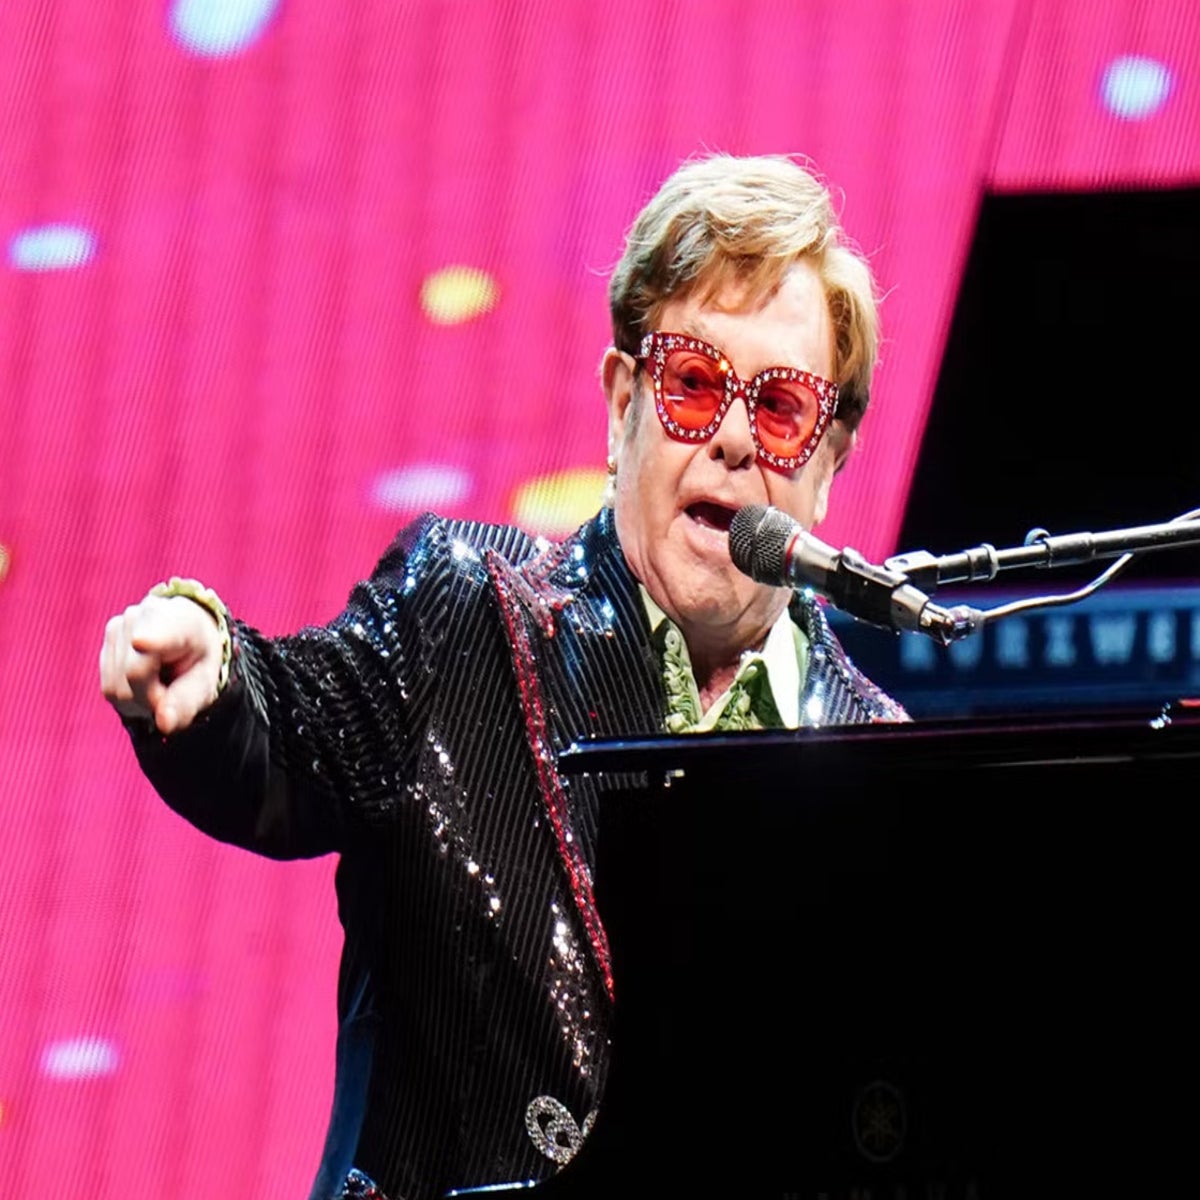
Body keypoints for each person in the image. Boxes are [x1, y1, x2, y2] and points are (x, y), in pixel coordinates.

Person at [100, 153, 907, 1200]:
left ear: (830, 463)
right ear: (623, 403)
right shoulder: (463, 613)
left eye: (784, 408)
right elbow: (294, 723)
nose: (736, 440)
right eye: (694, 386)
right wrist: (216, 677)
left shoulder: (883, 765)